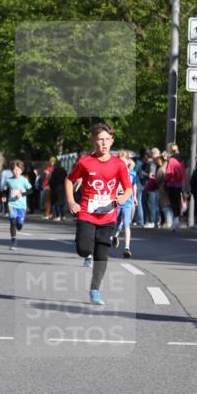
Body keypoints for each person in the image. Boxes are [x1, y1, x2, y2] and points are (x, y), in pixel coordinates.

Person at [65, 122, 131, 305]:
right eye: (100, 139)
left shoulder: (118, 164)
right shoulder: (85, 162)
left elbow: (128, 188)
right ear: (94, 140)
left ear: (112, 141)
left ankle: (95, 290)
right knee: (84, 249)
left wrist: (124, 197)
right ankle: (84, 240)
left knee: (102, 257)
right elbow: (70, 180)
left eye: (107, 140)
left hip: (108, 216)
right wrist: (71, 201)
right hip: (87, 213)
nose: (103, 143)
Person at [112, 151, 138, 259]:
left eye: (124, 161)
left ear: (128, 161)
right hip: (117, 202)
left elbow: (134, 185)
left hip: (127, 203)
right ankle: (114, 236)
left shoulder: (132, 173)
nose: (122, 163)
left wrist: (135, 196)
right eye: (120, 161)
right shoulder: (114, 173)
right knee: (118, 224)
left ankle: (127, 248)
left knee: (127, 224)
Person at [5, 160, 31, 250]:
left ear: (21, 170)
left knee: (19, 225)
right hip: (11, 204)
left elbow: (31, 190)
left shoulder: (24, 180)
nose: (16, 171)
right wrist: (3, 197)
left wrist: (22, 194)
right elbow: (5, 190)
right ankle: (13, 242)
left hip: (22, 206)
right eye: (14, 170)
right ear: (12, 170)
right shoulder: (9, 180)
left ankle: (20, 224)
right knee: (12, 222)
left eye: (17, 169)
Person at [164, 143, 186, 230]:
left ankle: (175, 220)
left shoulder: (172, 160)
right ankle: (177, 220)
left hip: (172, 184)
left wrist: (166, 180)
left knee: (173, 203)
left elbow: (169, 173)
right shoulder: (181, 159)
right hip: (180, 183)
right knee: (178, 202)